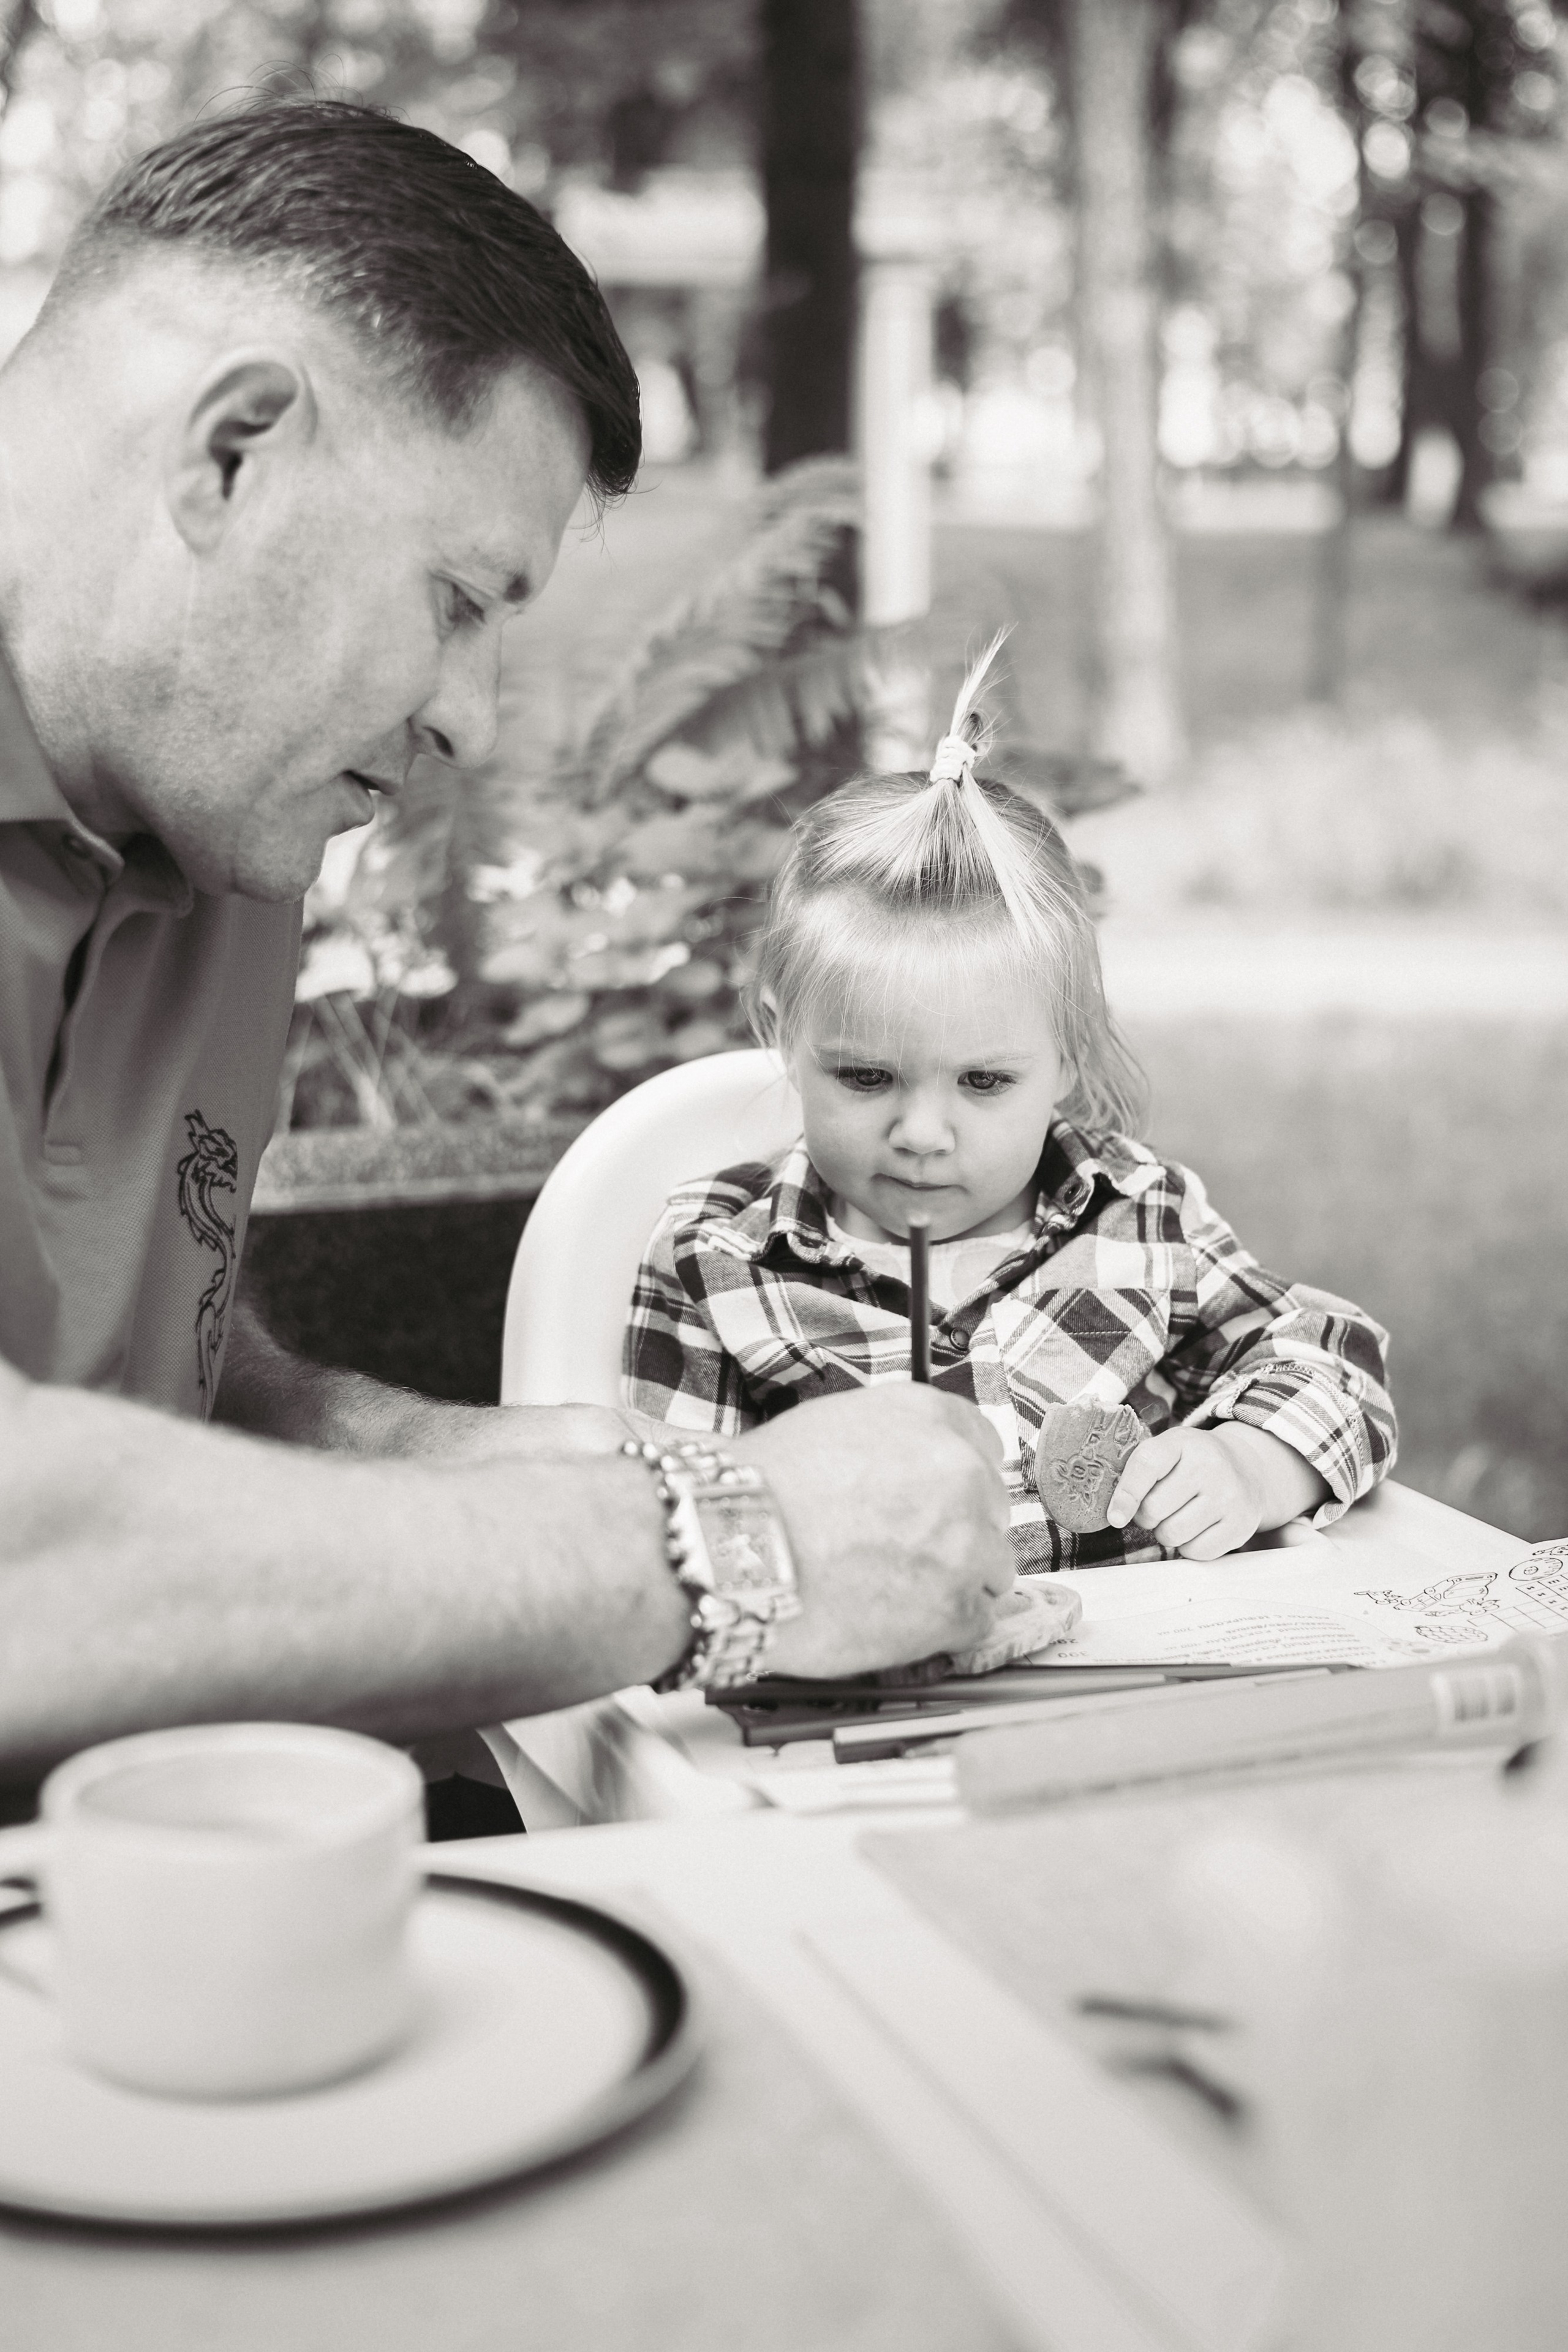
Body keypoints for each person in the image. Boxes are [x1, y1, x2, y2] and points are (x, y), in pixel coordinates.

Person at [0, 100, 1011, 1792]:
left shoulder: (215, 803)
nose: (468, 717)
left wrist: (405, 1449)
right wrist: (714, 1548)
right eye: (459, 602)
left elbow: (119, 1362)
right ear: (233, 450)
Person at [625, 640, 1398, 1569]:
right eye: (866, 1078)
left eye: (984, 1082)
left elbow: (1337, 1361)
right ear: (781, 1034)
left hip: (1142, 1690)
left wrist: (1248, 1462)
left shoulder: (1137, 1218)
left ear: (1068, 1055)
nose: (920, 1135)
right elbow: (670, 1538)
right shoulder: (720, 1263)